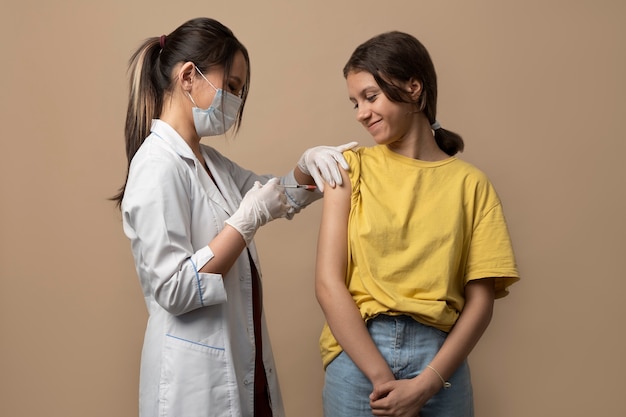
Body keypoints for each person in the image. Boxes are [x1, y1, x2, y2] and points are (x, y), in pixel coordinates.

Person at [112, 17, 357, 417]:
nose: (236, 102)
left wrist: (307, 166)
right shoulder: (158, 165)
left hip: (240, 361)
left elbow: (274, 194)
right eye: (231, 87)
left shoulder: (209, 162)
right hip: (196, 380)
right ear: (189, 76)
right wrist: (244, 225)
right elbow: (173, 289)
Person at [315, 31, 520, 417]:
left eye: (371, 96)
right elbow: (328, 283)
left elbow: (481, 299)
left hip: (440, 362)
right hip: (357, 357)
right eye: (354, 102)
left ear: (413, 87)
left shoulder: (471, 184)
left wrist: (427, 383)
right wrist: (380, 377)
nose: (361, 112)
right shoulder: (349, 168)